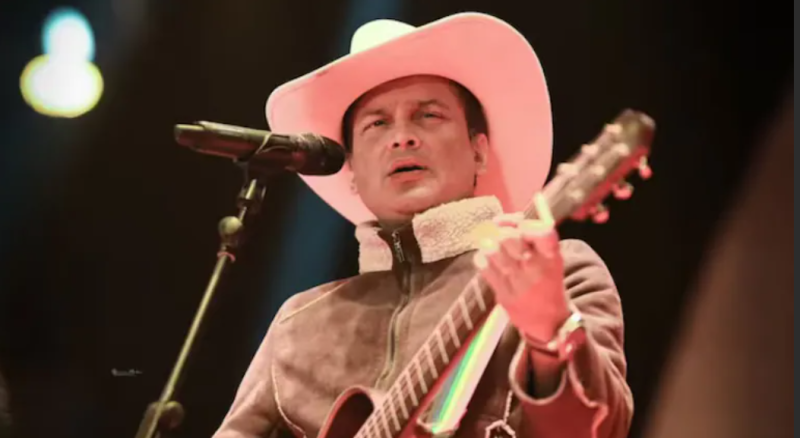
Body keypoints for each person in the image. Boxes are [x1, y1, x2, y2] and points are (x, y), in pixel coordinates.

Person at [213, 13, 632, 438]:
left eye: (428, 115)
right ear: (352, 170)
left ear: (479, 151)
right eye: (377, 124)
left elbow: (601, 429)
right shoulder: (298, 325)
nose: (402, 137)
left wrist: (551, 333)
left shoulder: (556, 271)